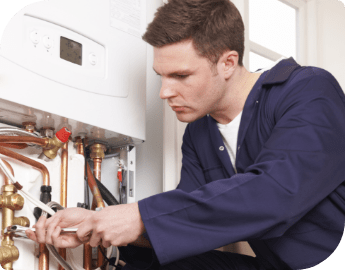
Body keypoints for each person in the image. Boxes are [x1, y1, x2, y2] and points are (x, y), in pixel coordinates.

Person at [26, 0, 345, 269]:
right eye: (161, 76)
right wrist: (97, 227)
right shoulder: (199, 133)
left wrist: (135, 217)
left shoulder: (309, 91)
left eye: (181, 75)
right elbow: (187, 224)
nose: (165, 92)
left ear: (228, 63)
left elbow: (276, 195)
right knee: (164, 261)